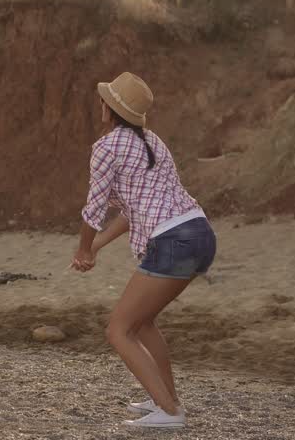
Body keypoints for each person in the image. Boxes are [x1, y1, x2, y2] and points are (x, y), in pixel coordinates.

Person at [70, 72, 217, 430]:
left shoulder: (106, 147)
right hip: (200, 234)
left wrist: (84, 249)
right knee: (143, 321)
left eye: (104, 99)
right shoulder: (153, 141)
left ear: (109, 108)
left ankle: (170, 413)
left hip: (173, 241)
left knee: (118, 330)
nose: (100, 103)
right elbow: (132, 210)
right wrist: (100, 246)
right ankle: (164, 399)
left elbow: (94, 207)